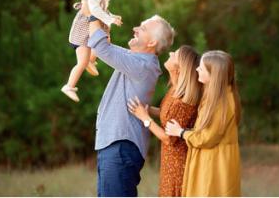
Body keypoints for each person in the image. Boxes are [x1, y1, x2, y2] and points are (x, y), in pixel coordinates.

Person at [87, 15, 176, 197]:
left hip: (120, 146)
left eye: (142, 28)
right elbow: (103, 46)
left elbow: (101, 47)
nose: (135, 28)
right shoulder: (137, 60)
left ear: (151, 42)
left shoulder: (142, 66)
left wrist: (93, 11)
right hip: (117, 145)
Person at [127, 46, 201, 197]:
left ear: (180, 69)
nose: (170, 53)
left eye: (175, 55)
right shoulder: (174, 90)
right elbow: (169, 116)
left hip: (177, 164)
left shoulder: (183, 100)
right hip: (170, 161)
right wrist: (148, 110)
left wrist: (145, 118)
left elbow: (169, 138)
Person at [166, 50, 242, 197]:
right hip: (211, 161)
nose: (197, 69)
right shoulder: (217, 96)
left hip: (214, 165)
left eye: (201, 68)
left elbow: (206, 138)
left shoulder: (223, 103)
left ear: (214, 75)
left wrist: (180, 132)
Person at [62, 0, 123, 102]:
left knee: (105, 42)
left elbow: (101, 11)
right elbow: (95, 11)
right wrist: (110, 20)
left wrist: (111, 16)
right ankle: (69, 86)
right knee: (81, 62)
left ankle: (91, 60)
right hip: (83, 30)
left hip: (92, 27)